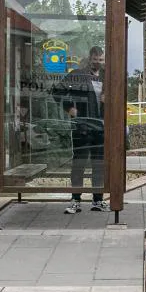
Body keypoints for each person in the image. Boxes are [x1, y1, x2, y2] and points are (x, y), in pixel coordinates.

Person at [55, 46, 106, 213]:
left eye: (100, 60)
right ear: (89, 58)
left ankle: (97, 201)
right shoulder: (78, 75)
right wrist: (70, 109)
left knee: (98, 165)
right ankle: (75, 201)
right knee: (79, 165)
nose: (97, 63)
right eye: (95, 60)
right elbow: (57, 91)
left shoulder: (107, 76)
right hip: (81, 128)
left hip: (100, 128)